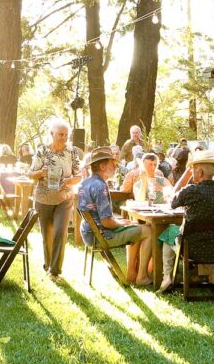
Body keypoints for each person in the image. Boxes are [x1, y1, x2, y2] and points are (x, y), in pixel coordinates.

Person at [78, 149, 155, 284]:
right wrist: (122, 223)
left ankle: (132, 273)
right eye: (112, 164)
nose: (115, 167)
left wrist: (121, 222)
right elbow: (107, 222)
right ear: (102, 166)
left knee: (137, 228)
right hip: (101, 235)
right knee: (148, 230)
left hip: (89, 232)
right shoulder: (100, 186)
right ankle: (141, 277)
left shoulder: (85, 183)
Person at [30, 119, 84, 278]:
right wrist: (41, 172)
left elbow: (79, 175)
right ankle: (48, 265)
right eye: (61, 134)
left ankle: (55, 271)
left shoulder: (72, 151)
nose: (64, 137)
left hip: (64, 198)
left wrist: (69, 181)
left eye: (66, 134)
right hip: (43, 198)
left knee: (60, 232)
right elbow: (31, 174)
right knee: (47, 235)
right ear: (52, 134)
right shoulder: (42, 151)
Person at [171, 151, 214, 287]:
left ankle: (167, 278)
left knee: (167, 233)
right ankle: (207, 275)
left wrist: (187, 179)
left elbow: (173, 202)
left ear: (199, 172)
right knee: (204, 234)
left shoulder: (190, 191)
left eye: (193, 169)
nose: (192, 172)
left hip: (191, 248)